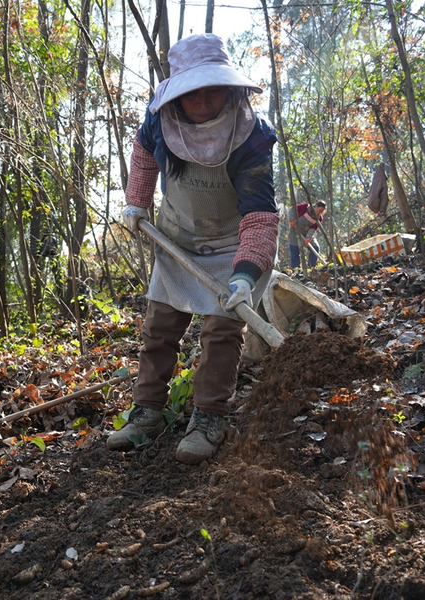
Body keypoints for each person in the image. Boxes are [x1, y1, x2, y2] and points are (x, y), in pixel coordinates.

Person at [110, 33, 279, 464]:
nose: (203, 99)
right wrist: (137, 200)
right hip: (177, 236)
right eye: (193, 91)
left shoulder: (252, 136)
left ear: (231, 88)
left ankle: (209, 417)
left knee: (223, 329)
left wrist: (245, 274)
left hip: (232, 244)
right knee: (160, 327)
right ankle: (147, 412)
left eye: (213, 88)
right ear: (176, 95)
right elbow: (144, 157)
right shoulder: (159, 123)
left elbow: (260, 215)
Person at [287, 201, 326, 269]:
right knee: (295, 252)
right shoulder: (304, 207)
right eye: (319, 210)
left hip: (307, 234)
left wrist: (308, 237)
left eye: (321, 211)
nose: (319, 212)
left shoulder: (319, 218)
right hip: (295, 232)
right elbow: (291, 209)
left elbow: (313, 228)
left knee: (316, 248)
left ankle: (311, 267)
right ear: (315, 206)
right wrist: (291, 220)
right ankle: (296, 270)